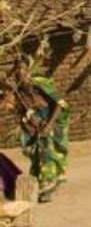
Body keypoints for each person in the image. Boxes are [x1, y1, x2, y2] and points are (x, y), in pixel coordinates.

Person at [7, 65, 72, 203]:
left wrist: (48, 126)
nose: (18, 74)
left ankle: (49, 185)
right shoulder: (17, 91)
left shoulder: (40, 85)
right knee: (36, 154)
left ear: (29, 71)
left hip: (49, 121)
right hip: (32, 126)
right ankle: (45, 184)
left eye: (22, 70)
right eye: (16, 72)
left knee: (46, 152)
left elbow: (60, 104)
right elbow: (17, 109)